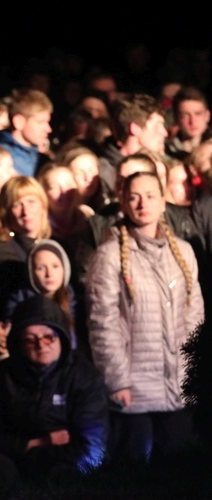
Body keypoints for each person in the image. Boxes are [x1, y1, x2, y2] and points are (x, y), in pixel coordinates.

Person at [86, 170, 205, 463]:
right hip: (134, 388)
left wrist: (194, 373)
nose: (142, 204)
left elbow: (195, 316)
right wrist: (117, 381)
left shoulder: (184, 252)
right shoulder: (109, 255)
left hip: (178, 385)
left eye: (150, 196)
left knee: (179, 471)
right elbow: (103, 324)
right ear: (123, 203)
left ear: (163, 202)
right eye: (134, 197)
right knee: (135, 472)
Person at [0, 294, 109, 494]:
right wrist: (31, 444)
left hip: (64, 462)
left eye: (48, 337)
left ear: (61, 338)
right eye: (30, 339)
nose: (41, 345)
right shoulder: (3, 377)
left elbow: (93, 446)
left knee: (74, 474)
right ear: (18, 342)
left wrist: (54, 464)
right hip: (17, 458)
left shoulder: (84, 376)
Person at [0, 176, 52, 327]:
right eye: (17, 205)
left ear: (43, 205)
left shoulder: (56, 247)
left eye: (31, 202)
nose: (26, 211)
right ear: (5, 211)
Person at [0, 239, 77, 359]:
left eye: (55, 266)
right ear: (31, 273)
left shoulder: (73, 300)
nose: (49, 274)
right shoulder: (19, 302)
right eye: (41, 268)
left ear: (64, 269)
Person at [97, 93, 168, 196]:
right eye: (158, 125)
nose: (165, 133)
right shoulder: (104, 173)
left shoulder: (162, 164)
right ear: (135, 128)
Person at [0, 88, 53, 177]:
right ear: (19, 122)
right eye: (41, 122)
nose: (48, 129)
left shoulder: (43, 160)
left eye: (47, 122)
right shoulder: (1, 159)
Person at [165, 86, 212, 162]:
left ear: (207, 115)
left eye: (198, 114)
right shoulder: (166, 151)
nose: (192, 121)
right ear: (176, 118)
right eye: (185, 115)